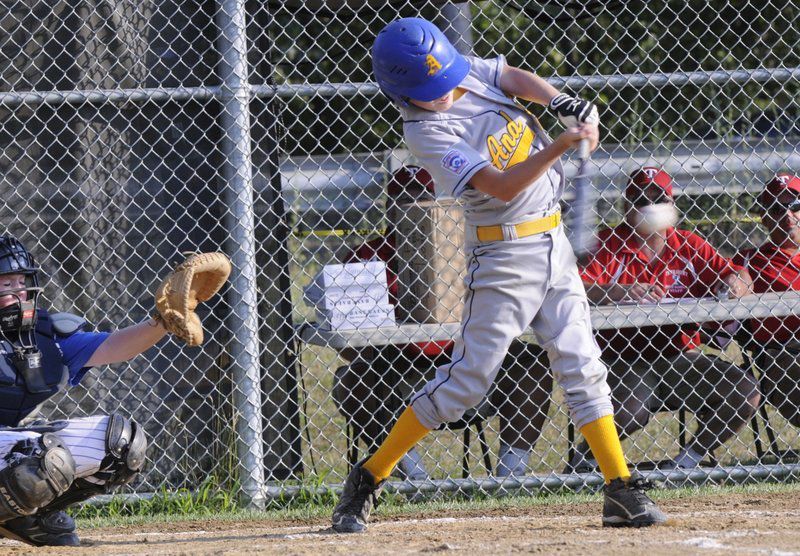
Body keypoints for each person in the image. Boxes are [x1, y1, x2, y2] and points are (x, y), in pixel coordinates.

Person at [331, 17, 667, 532]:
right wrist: (561, 143)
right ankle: (370, 476)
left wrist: (560, 101)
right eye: (431, 90)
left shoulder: (455, 69)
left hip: (553, 241)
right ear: (403, 93)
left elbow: (510, 76)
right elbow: (502, 185)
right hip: (503, 257)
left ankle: (619, 488)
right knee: (466, 384)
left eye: (446, 80)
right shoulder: (426, 131)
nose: (445, 92)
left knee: (582, 363)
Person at [0, 236, 228, 546]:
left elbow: (113, 346)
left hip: (7, 442)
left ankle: (27, 518)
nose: (18, 291)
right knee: (35, 460)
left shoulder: (40, 336)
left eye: (21, 281)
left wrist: (164, 321)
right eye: (6, 283)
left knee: (121, 443)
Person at [333, 166, 553, 480]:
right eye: (402, 201)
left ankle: (511, 474)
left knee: (533, 363)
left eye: (421, 200)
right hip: (397, 364)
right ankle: (412, 476)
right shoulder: (367, 256)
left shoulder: (464, 244)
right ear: (388, 207)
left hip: (468, 355)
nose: (412, 208)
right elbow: (347, 345)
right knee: (351, 379)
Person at [571, 167, 759, 471]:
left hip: (679, 355)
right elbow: (573, 287)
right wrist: (615, 291)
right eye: (640, 199)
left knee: (743, 391)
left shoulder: (688, 244)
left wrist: (735, 282)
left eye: (658, 198)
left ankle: (686, 463)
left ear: (672, 204)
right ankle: (586, 461)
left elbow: (737, 274)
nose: (649, 205)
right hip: (623, 358)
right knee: (630, 411)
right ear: (626, 207)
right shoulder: (607, 244)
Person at [734, 172, 800, 428]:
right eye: (777, 208)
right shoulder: (748, 261)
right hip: (783, 354)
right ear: (764, 216)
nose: (788, 215)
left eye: (795, 205)